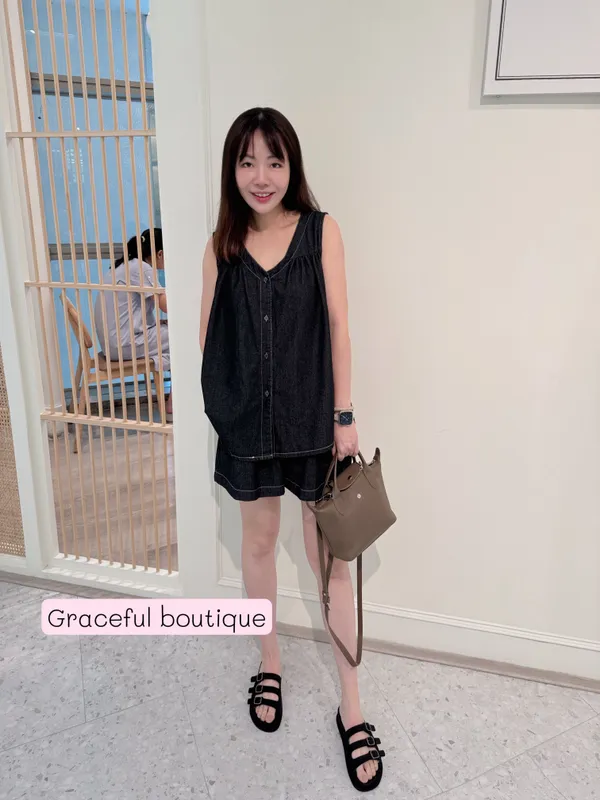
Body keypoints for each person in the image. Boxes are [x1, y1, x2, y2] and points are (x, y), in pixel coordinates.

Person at [199, 108, 386, 792]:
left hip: (314, 423)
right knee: (255, 544)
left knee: (330, 563)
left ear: (291, 166)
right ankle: (270, 662)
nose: (261, 175)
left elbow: (339, 325)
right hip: (249, 426)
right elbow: (208, 339)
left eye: (273, 161)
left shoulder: (320, 231)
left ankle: (352, 706)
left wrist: (344, 415)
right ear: (233, 169)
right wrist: (227, 410)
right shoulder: (222, 244)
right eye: (247, 161)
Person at [94, 227, 173, 419]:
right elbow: (165, 305)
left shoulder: (125, 265)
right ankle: (173, 403)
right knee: (185, 336)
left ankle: (172, 400)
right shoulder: (142, 268)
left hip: (113, 344)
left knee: (174, 332)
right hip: (124, 344)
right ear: (159, 253)